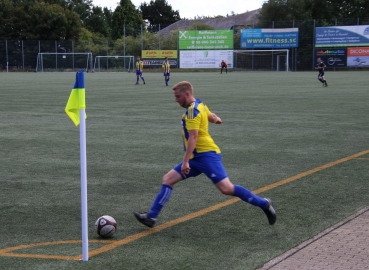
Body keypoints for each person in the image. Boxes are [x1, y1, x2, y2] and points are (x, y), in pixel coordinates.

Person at [134, 81, 276, 228]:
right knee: (168, 179)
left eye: (178, 96)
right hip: (196, 157)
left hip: (207, 156)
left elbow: (193, 138)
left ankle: (264, 203)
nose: (176, 100)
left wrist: (185, 162)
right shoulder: (199, 105)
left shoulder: (192, 112)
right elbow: (210, 114)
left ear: (187, 94)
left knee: (226, 189)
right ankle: (152, 216)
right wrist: (216, 119)